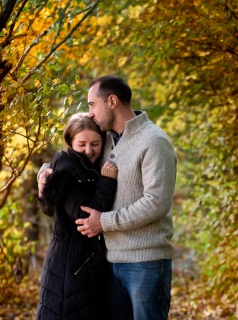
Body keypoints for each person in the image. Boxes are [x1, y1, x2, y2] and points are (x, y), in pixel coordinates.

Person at [38, 75, 177, 320]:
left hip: (145, 262)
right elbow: (73, 159)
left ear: (112, 101)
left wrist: (105, 221)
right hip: (110, 262)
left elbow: (157, 203)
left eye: (92, 104)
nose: (89, 113)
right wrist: (43, 173)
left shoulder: (154, 142)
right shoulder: (108, 141)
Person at [36, 113, 118, 320]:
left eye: (95, 144)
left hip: (76, 257)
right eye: (82, 144)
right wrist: (107, 183)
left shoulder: (82, 166)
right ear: (70, 142)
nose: (89, 150)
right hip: (72, 260)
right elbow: (83, 217)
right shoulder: (69, 170)